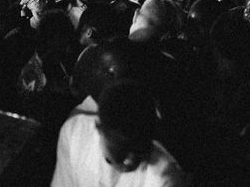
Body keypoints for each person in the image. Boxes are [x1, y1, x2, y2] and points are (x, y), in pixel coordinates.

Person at [51, 79, 184, 187]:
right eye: (122, 146)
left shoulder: (165, 180)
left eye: (138, 147)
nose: (129, 160)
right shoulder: (75, 134)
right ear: (98, 127)